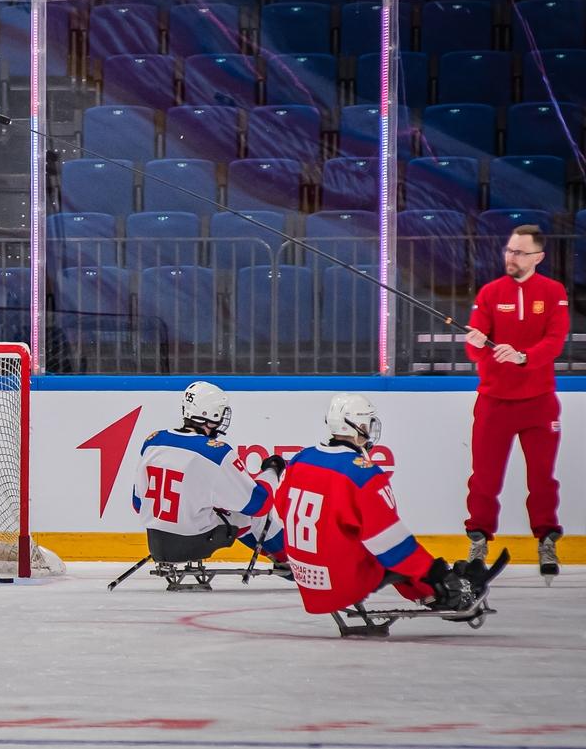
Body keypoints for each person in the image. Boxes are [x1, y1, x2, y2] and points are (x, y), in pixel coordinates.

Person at [275, 393, 491, 616]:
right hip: (339, 582)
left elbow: (282, 509)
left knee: (371, 543)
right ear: (357, 426)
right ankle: (445, 595)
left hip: (305, 577)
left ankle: (433, 588)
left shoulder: (300, 459)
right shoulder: (363, 474)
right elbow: (390, 544)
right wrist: (436, 573)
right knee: (396, 554)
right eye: (368, 422)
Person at [463, 224, 570, 580]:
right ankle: (478, 539)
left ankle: (546, 539)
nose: (511, 257)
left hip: (539, 402)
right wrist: (479, 343)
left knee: (541, 478)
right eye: (508, 250)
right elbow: (472, 349)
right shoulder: (491, 292)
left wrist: (524, 357)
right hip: (494, 402)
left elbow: (555, 342)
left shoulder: (553, 293)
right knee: (484, 478)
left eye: (519, 252)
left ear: (538, 257)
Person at [131, 381, 288, 568]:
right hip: (193, 540)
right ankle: (290, 562)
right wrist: (271, 471)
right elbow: (259, 504)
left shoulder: (153, 441)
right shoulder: (216, 453)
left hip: (157, 541)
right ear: (210, 414)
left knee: (221, 508)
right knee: (251, 516)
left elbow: (138, 503)